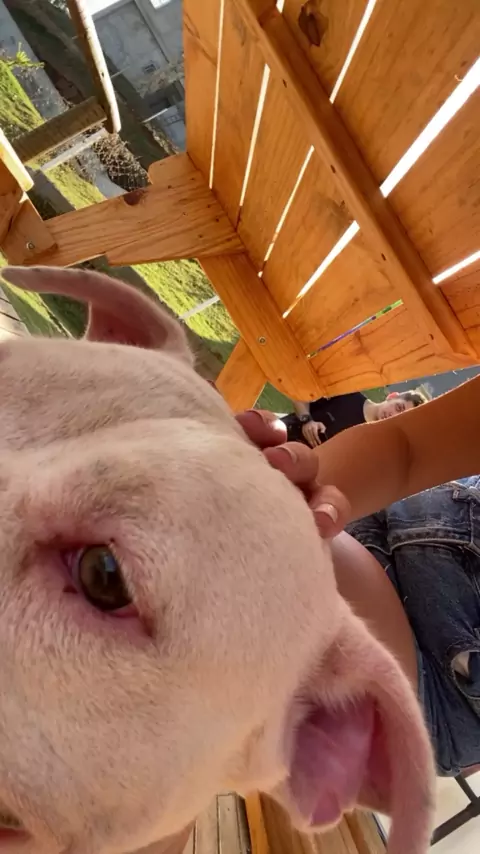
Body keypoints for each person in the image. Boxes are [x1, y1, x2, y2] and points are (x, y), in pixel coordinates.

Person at [236, 375, 480, 775]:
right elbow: (406, 448)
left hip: (443, 704)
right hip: (398, 534)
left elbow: (406, 450)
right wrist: (271, 506)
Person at [282, 389, 427, 448]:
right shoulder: (348, 394)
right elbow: (301, 393)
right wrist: (307, 420)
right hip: (280, 435)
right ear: (392, 396)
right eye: (398, 408)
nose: (392, 415)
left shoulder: (371, 445)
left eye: (399, 418)